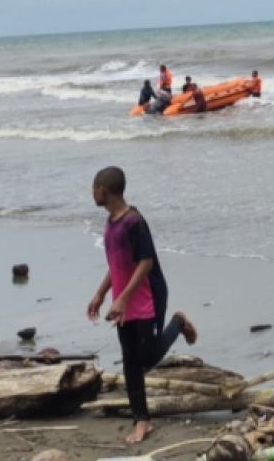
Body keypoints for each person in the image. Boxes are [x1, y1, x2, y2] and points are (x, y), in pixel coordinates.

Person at [85, 167, 197, 445]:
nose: (92, 194)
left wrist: (122, 297)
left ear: (104, 190)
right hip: (124, 300)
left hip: (148, 295)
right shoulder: (111, 223)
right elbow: (116, 265)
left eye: (93, 188)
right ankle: (142, 420)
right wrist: (101, 294)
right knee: (130, 361)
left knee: (146, 358)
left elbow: (145, 263)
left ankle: (178, 322)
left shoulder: (135, 222)